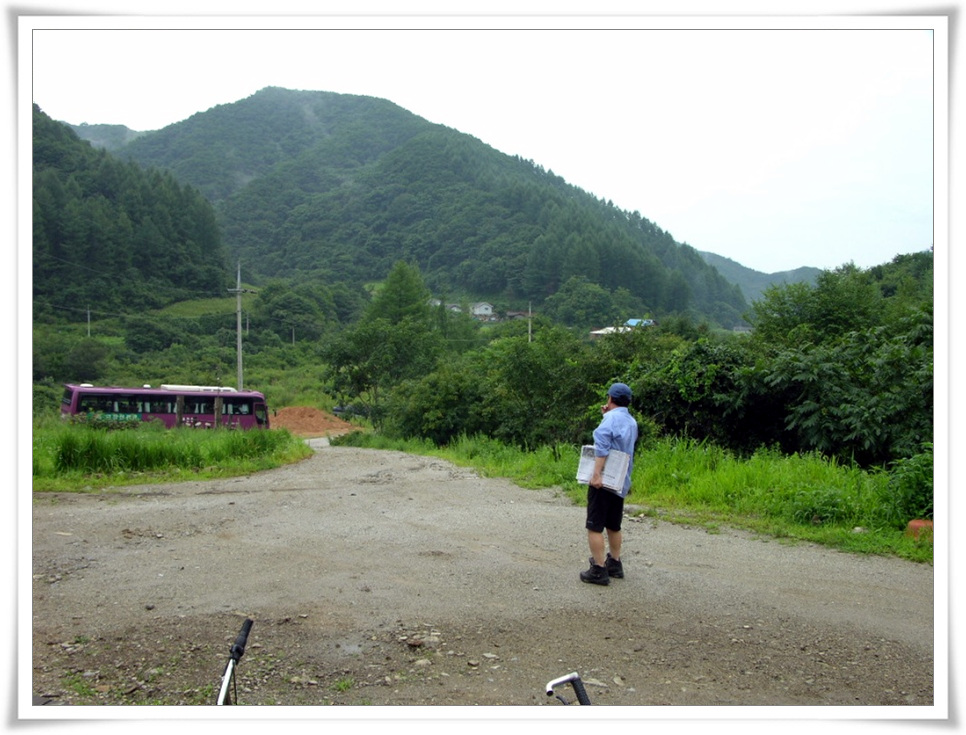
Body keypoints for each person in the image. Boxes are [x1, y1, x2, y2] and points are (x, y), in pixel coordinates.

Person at [580, 382, 638, 586]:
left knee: (595, 526)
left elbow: (602, 448)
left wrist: (596, 475)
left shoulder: (609, 420)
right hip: (620, 480)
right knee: (614, 525)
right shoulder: (631, 421)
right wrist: (607, 415)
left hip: (605, 481)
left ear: (610, 398)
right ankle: (615, 562)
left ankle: (598, 569)